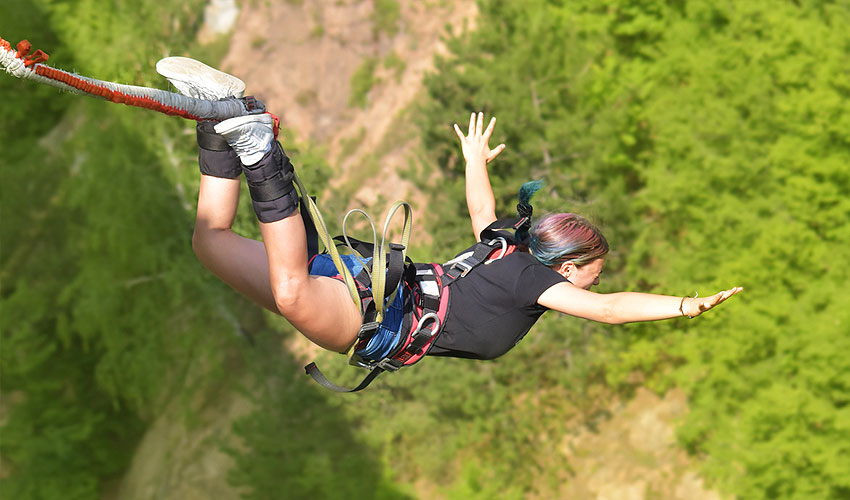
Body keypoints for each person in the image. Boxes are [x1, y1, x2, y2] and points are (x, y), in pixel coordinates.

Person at [168, 59, 742, 364]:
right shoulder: (534, 281)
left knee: (208, 242)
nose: (599, 281)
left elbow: (480, 206)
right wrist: (686, 306)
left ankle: (220, 119)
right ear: (567, 268)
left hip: (366, 279)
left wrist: (474, 160)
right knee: (289, 291)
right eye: (597, 269)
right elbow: (612, 309)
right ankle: (258, 150)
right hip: (374, 317)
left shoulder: (504, 244)